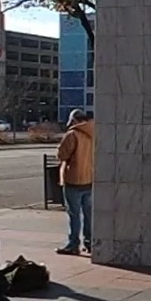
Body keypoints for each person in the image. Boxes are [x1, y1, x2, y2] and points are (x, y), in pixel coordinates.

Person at [54, 108, 99, 258]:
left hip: (73, 179)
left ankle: (73, 245)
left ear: (73, 121)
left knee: (74, 214)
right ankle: (90, 243)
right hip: (90, 178)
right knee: (88, 214)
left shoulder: (72, 134)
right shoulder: (95, 133)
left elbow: (62, 155)